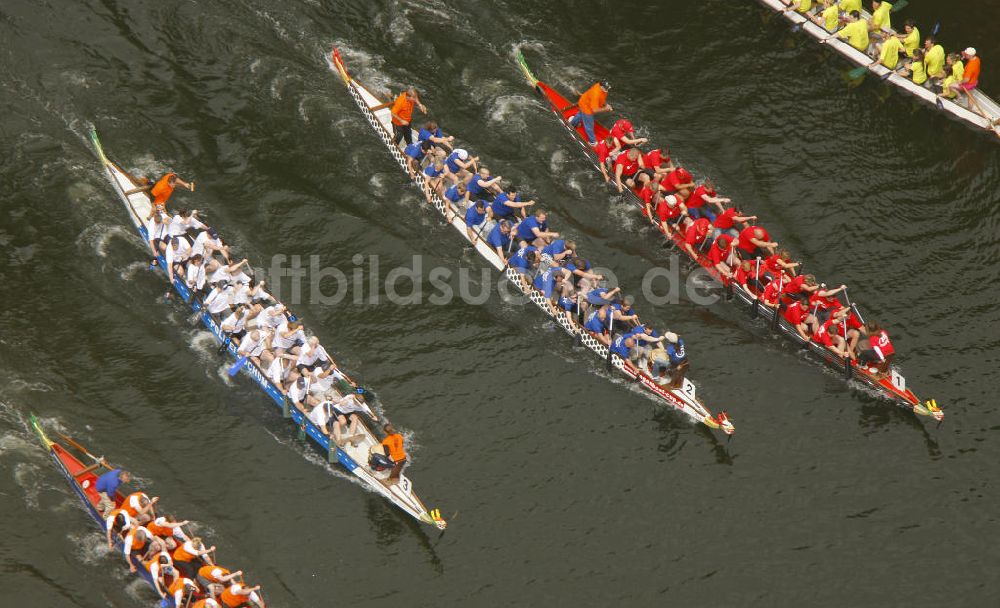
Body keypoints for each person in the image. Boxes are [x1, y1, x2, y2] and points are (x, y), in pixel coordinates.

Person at [567, 81, 612, 146]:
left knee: (580, 115)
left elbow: (602, 98)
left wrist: (606, 105)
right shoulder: (595, 94)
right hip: (586, 108)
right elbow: (595, 110)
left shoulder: (602, 88)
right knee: (589, 125)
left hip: (585, 102)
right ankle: (592, 142)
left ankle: (572, 123)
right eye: (606, 88)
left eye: (607, 88)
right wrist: (606, 109)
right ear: (601, 87)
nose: (607, 89)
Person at [950, 48, 985, 116]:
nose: (965, 55)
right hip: (974, 82)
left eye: (966, 54)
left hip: (967, 84)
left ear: (970, 55)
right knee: (970, 95)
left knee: (950, 86)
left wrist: (960, 82)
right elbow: (964, 54)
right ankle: (970, 109)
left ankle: (959, 97)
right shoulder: (976, 59)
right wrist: (963, 55)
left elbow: (966, 79)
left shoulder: (970, 67)